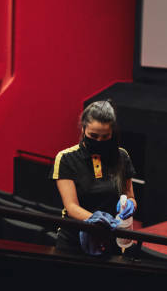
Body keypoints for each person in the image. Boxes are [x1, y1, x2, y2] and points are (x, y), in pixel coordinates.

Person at [50, 100, 137, 255]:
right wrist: (99, 220)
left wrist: (130, 205)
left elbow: (130, 197)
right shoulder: (66, 158)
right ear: (83, 129)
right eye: (93, 136)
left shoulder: (122, 156)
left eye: (105, 137)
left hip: (110, 238)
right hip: (74, 240)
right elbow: (71, 207)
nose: (99, 141)